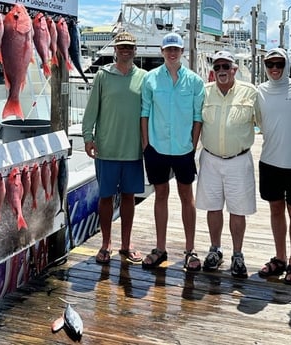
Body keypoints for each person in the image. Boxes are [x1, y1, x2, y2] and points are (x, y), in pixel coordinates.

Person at [140, 32, 204, 271]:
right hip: (156, 147)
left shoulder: (195, 81)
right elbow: (144, 113)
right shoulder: (151, 79)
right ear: (162, 51)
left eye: (176, 49)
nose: (172, 53)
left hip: (183, 149)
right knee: (160, 195)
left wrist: (193, 145)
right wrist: (146, 143)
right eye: (168, 49)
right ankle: (160, 247)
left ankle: (190, 249)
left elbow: (198, 118)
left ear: (182, 52)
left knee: (187, 197)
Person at [82, 31, 147, 265]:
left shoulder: (144, 77)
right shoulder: (102, 75)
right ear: (115, 50)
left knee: (129, 197)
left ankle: (126, 245)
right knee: (106, 197)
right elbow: (91, 110)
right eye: (121, 47)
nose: (125, 50)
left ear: (135, 50)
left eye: (129, 46)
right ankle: (105, 244)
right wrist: (87, 136)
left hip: (133, 150)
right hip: (106, 149)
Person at [196, 51, 259, 278]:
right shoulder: (204, 92)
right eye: (217, 67)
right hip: (210, 159)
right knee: (213, 207)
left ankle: (238, 254)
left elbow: (263, 122)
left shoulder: (250, 92)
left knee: (238, 209)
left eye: (226, 67)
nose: (221, 71)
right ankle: (215, 249)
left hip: (239, 160)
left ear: (234, 69)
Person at [255, 48, 291, 285]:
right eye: (270, 64)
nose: (275, 68)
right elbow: (257, 121)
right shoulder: (260, 91)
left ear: (286, 65)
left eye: (279, 64)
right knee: (275, 210)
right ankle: (280, 257)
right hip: (269, 161)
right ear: (265, 66)